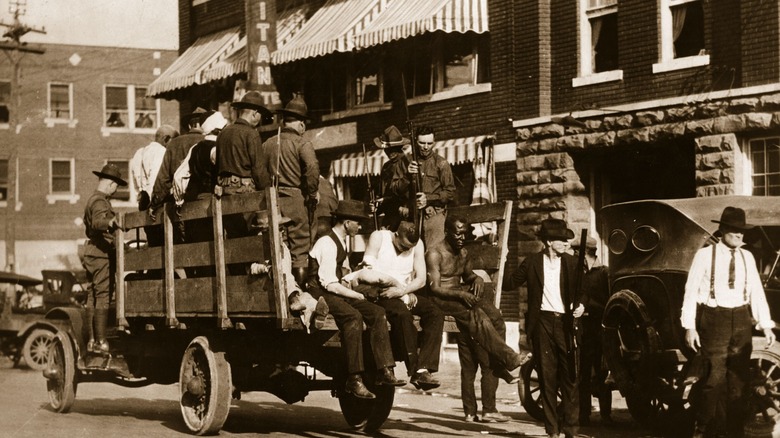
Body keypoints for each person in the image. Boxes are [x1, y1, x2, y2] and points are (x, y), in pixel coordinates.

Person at [682, 206, 776, 438]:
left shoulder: (747, 257)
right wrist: (689, 326)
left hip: (742, 320)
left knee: (739, 382)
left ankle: (735, 432)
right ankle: (705, 430)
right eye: (734, 230)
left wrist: (765, 324)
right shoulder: (705, 256)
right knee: (713, 380)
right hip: (714, 320)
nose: (739, 235)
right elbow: (690, 291)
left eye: (742, 231)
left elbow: (756, 292)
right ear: (722, 230)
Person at [428, 215, 532, 422]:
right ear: (447, 231)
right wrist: (460, 294)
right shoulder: (434, 253)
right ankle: (509, 358)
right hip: (441, 300)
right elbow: (435, 288)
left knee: (495, 315)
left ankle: (500, 364)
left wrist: (475, 278)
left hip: (460, 296)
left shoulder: (464, 252)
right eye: (457, 232)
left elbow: (467, 277)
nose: (461, 237)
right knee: (477, 315)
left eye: (464, 233)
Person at [307, 200, 406, 399]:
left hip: (336, 289)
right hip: (320, 292)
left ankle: (384, 370)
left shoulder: (341, 241)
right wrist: (355, 294)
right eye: (357, 223)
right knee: (352, 317)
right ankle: (354, 378)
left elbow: (341, 279)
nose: (359, 226)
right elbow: (328, 283)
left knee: (377, 312)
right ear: (346, 223)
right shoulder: (326, 242)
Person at [503, 218, 586, 438]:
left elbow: (584, 290)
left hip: (566, 325)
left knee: (570, 378)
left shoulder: (572, 262)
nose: (567, 243)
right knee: (547, 378)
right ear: (549, 242)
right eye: (562, 240)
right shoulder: (531, 262)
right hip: (542, 324)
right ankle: (552, 431)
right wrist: (499, 262)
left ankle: (571, 430)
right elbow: (510, 283)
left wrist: (581, 306)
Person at [351, 220, 444, 390]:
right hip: (381, 291)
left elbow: (421, 279)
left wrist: (403, 292)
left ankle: (423, 369)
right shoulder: (378, 237)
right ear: (396, 235)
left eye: (409, 248)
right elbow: (368, 272)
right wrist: (397, 290)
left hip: (403, 292)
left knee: (435, 313)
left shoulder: (417, 245)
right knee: (402, 315)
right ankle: (414, 368)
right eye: (402, 246)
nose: (406, 250)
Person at [256, 95, 320, 289]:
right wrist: (311, 194)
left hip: (271, 200)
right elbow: (312, 168)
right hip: (295, 200)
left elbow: (258, 172)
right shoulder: (302, 143)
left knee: (276, 248)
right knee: (299, 251)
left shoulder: (267, 144)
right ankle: (297, 295)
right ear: (301, 124)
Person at [248, 210, 326, 332]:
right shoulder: (257, 245)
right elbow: (252, 268)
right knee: (285, 278)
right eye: (278, 229)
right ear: (265, 231)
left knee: (305, 296)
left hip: (285, 285)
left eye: (282, 228)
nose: (283, 231)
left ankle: (316, 312)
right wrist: (265, 268)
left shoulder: (282, 246)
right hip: (266, 287)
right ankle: (297, 302)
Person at [82, 163, 127, 353]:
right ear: (110, 184)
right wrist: (111, 222)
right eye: (116, 186)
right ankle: (101, 342)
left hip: (92, 252)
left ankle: (91, 341)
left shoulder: (92, 199)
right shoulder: (100, 202)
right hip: (101, 254)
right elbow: (98, 222)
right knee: (102, 296)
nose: (116, 190)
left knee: (92, 296)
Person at [572, 237, 612, 426]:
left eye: (576, 252)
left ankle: (605, 415)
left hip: (599, 329)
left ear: (585, 253)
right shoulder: (577, 273)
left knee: (602, 373)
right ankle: (584, 414)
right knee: (583, 373)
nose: (573, 255)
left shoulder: (603, 273)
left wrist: (588, 307)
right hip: (582, 330)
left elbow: (610, 302)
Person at [149, 107, 207, 212]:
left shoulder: (173, 144)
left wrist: (154, 204)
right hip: (205, 205)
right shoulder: (209, 143)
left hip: (179, 206)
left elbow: (163, 180)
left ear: (190, 126)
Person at [407, 125, 455, 248]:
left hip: (433, 217)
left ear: (434, 142)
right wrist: (407, 175)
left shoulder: (441, 163)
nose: (426, 147)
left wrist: (428, 199)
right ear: (415, 141)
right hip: (411, 217)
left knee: (432, 253)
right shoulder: (408, 161)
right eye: (422, 143)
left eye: (429, 143)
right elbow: (397, 188)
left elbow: (450, 193)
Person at [216, 91, 271, 195]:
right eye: (260, 115)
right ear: (255, 113)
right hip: (244, 191)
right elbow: (259, 171)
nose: (260, 119)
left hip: (224, 190)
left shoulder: (223, 133)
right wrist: (268, 189)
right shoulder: (251, 134)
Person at [373, 125, 412, 231]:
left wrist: (407, 206)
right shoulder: (386, 167)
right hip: (389, 215)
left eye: (393, 149)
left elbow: (413, 190)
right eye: (387, 149)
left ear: (400, 147)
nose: (389, 152)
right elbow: (382, 192)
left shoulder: (408, 163)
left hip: (404, 216)